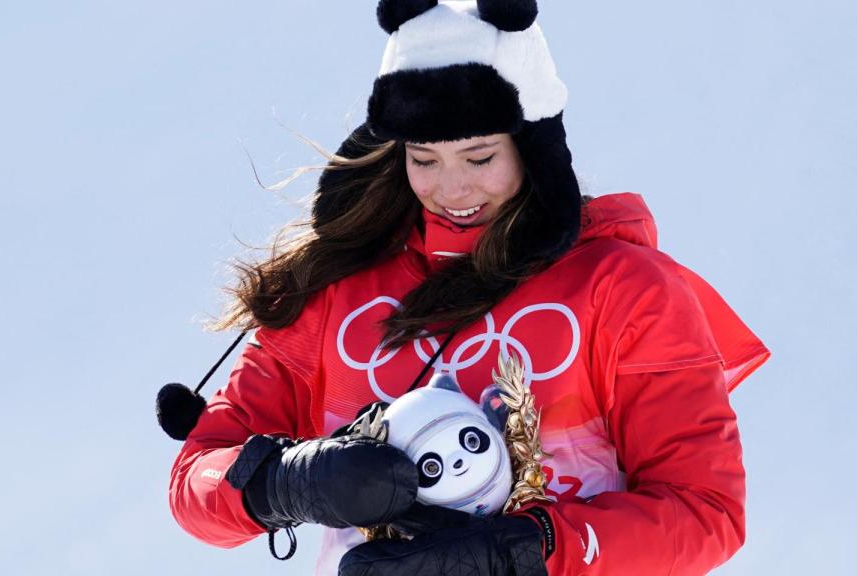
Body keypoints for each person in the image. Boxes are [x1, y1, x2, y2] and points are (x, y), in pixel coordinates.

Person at [167, 1, 770, 575]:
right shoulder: (335, 295)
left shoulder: (621, 289)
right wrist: (289, 482)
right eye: (424, 159)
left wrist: (518, 556)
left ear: (532, 147)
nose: (452, 190)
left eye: (480, 158)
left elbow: (705, 512)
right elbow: (196, 480)